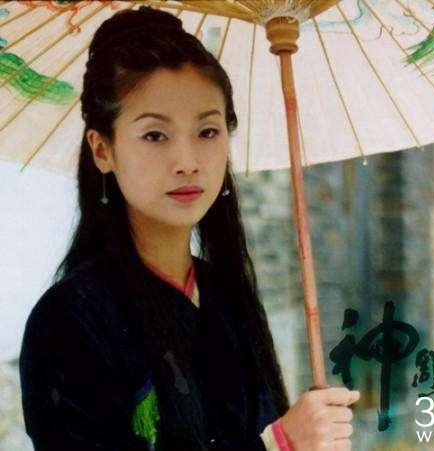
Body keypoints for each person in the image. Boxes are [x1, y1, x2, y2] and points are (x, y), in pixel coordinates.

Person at [18, 5, 360, 451]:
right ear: (102, 149)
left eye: (208, 132)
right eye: (155, 135)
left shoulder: (227, 299)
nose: (187, 162)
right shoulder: (67, 322)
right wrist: (278, 443)